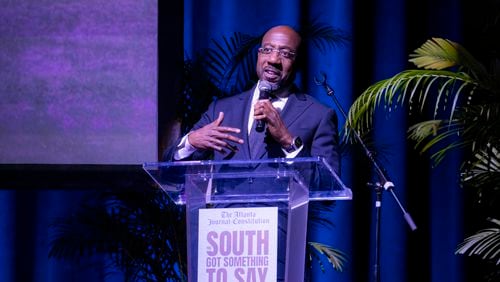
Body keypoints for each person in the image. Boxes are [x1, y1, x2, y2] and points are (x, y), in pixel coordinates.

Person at [163, 25, 340, 174]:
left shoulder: (318, 115)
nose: (273, 59)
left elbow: (326, 183)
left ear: (298, 63)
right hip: (225, 215)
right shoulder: (221, 109)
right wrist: (191, 142)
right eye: (268, 50)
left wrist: (287, 141)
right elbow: (170, 173)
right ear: (258, 55)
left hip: (280, 215)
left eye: (285, 54)